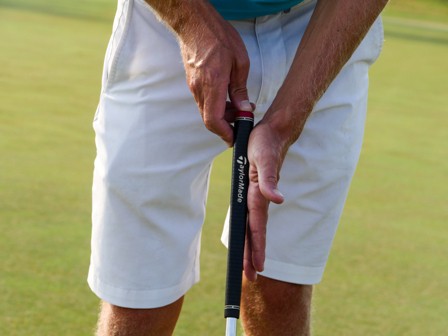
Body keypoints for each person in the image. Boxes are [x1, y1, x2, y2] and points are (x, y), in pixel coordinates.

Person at [88, 0, 388, 334]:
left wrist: (283, 125)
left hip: (320, 26)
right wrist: (194, 25)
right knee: (139, 296)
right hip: (168, 22)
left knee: (282, 284)